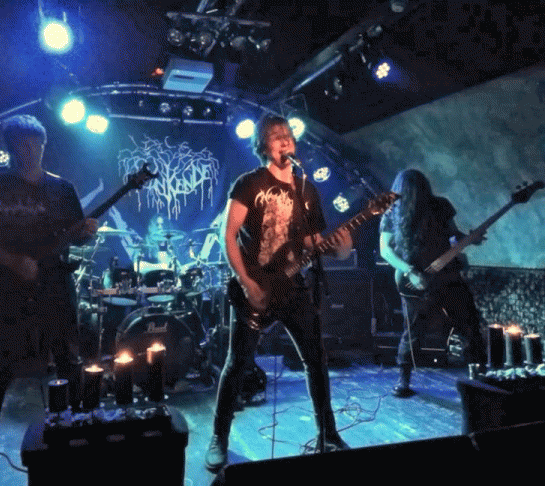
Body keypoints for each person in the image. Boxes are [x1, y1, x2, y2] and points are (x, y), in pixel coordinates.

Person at [0, 114, 98, 486]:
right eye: (20, 144)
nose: (28, 151)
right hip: (6, 293)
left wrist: (86, 233)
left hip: (55, 288)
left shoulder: (62, 189)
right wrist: (12, 261)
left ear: (43, 145)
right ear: (10, 148)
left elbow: (75, 236)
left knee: (69, 363)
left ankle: (84, 443)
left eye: (34, 144)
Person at [204, 114, 353, 472]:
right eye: (275, 136)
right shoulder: (248, 183)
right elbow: (228, 235)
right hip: (255, 285)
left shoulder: (305, 188)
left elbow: (312, 242)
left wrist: (340, 247)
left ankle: (328, 434)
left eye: (287, 135)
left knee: (315, 360)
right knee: (238, 363)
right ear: (262, 146)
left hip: (293, 287)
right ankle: (219, 438)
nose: (284, 140)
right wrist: (247, 282)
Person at [379, 169, 486, 398]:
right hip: (415, 279)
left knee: (468, 323)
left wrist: (469, 239)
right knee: (413, 331)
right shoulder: (391, 212)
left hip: (448, 275)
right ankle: (403, 380)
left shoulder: (440, 206)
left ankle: (478, 375)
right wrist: (410, 271)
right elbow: (385, 250)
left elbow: (453, 235)